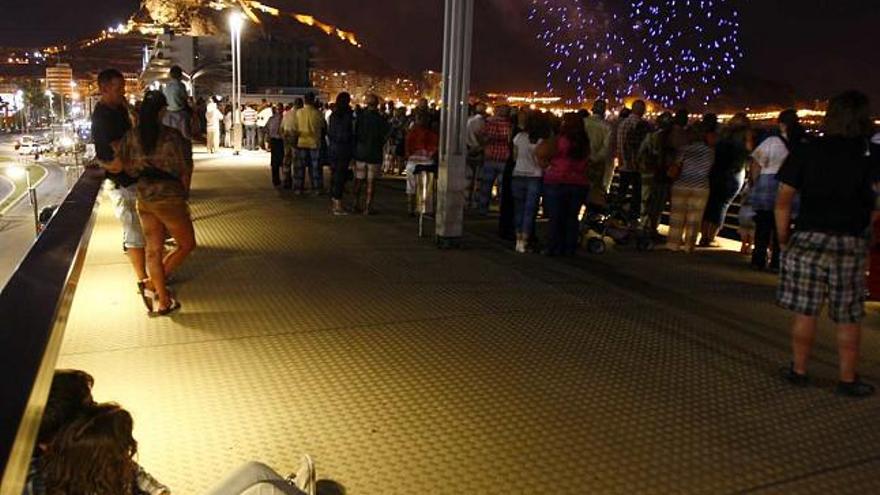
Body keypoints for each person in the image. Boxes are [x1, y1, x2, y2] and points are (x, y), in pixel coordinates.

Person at [776, 90, 880, 398]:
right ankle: (847, 379)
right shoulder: (870, 156)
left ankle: (798, 370)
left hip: (807, 238)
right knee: (848, 316)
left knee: (805, 313)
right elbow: (877, 204)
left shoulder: (808, 149)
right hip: (849, 242)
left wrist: (784, 239)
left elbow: (783, 201)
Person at [40, 402, 316, 495]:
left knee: (254, 470)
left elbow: (153, 486)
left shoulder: (100, 469)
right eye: (123, 450)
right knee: (264, 490)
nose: (129, 454)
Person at [116, 91, 195, 316]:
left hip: (145, 197)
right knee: (187, 244)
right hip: (168, 198)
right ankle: (151, 285)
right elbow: (185, 168)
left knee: (153, 250)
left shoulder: (131, 137)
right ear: (162, 112)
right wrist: (185, 193)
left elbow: (124, 165)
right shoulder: (172, 136)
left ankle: (163, 300)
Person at [91, 68, 149, 310]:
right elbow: (117, 154)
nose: (123, 92)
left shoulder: (119, 110)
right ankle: (142, 279)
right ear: (103, 89)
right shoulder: (103, 116)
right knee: (134, 228)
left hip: (130, 176)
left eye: (123, 87)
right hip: (121, 180)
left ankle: (146, 272)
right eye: (118, 88)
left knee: (138, 225)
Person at [750, 109, 804, 271]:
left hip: (767, 184)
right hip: (790, 186)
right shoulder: (801, 142)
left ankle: (759, 259)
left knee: (763, 224)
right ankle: (778, 261)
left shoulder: (772, 141)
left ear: (781, 124)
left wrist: (754, 182)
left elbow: (756, 163)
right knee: (784, 225)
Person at [538, 113, 590, 256]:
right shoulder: (584, 142)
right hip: (578, 182)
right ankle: (569, 247)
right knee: (572, 217)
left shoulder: (559, 140)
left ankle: (553, 246)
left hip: (557, 180)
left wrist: (548, 167)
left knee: (555, 217)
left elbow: (542, 154)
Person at [700, 113, 752, 246]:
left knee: (710, 203)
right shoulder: (746, 135)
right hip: (734, 173)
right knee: (723, 205)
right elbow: (750, 152)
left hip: (716, 171)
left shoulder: (722, 134)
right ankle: (711, 237)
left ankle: (704, 236)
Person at [665, 124, 714, 253]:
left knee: (677, 215)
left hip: (682, 184)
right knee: (695, 218)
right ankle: (689, 246)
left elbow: (676, 165)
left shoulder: (684, 149)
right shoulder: (710, 151)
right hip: (701, 186)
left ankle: (673, 244)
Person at [511, 111, 546, 253]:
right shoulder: (540, 141)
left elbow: (514, 157)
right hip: (534, 176)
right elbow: (541, 161)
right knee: (530, 210)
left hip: (518, 173)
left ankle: (518, 239)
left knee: (518, 208)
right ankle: (525, 240)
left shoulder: (519, 137)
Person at [353, 94, 390, 214]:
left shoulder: (360, 118)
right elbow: (385, 135)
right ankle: (368, 207)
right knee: (371, 182)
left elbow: (355, 133)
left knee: (358, 179)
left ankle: (355, 203)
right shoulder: (381, 119)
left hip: (360, 152)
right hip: (374, 153)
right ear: (377, 104)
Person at [616, 100, 651, 223]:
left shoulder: (623, 123)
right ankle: (632, 217)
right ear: (641, 110)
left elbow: (620, 144)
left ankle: (616, 214)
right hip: (636, 165)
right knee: (637, 193)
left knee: (622, 190)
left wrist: (621, 158)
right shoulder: (641, 125)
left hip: (623, 164)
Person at [478, 105, 513, 215]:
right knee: (503, 187)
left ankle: (483, 208)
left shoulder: (489, 122)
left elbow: (481, 134)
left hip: (490, 157)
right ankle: (502, 210)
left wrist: (484, 144)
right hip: (504, 158)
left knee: (486, 186)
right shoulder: (510, 124)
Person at [404, 112, 439, 216]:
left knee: (411, 186)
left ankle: (410, 208)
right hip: (427, 163)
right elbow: (435, 150)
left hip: (413, 162)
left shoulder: (411, 133)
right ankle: (424, 209)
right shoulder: (432, 134)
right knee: (426, 188)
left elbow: (407, 149)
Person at [291, 93, 326, 195]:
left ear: (304, 100)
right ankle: (316, 188)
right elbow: (324, 128)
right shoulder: (318, 113)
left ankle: (298, 188)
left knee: (299, 168)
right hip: (315, 143)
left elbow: (294, 130)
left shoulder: (298, 113)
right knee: (315, 168)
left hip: (301, 143)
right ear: (313, 100)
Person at [327, 92, 355, 215]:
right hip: (344, 149)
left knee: (335, 175)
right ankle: (337, 205)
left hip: (333, 148)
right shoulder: (348, 115)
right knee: (340, 176)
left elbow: (330, 132)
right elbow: (350, 133)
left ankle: (335, 201)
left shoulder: (333, 115)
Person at [583, 99, 612, 210]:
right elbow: (606, 147)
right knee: (594, 190)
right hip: (597, 163)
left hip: (582, 160)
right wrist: (596, 158)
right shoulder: (607, 126)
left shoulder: (583, 122)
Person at [161, 66, 192, 141]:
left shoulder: (167, 86)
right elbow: (184, 98)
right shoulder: (181, 85)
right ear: (180, 75)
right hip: (180, 112)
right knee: (185, 137)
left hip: (168, 113)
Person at [466, 103, 487, 207]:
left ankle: (466, 200)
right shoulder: (482, 122)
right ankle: (475, 201)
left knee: (468, 177)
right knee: (478, 178)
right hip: (479, 151)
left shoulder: (468, 121)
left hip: (469, 150)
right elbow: (482, 137)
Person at [266, 103, 285, 187]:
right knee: (283, 161)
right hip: (281, 141)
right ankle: (284, 180)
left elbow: (267, 129)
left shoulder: (271, 119)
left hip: (274, 141)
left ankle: (275, 180)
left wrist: (269, 140)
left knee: (274, 162)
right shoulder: (284, 119)